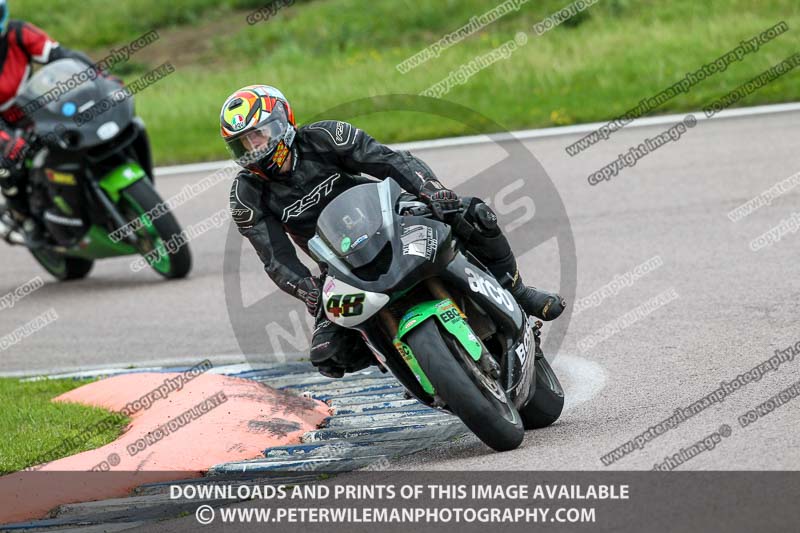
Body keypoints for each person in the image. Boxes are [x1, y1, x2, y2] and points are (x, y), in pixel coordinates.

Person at [223, 84, 566, 378]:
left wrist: (431, 190)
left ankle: (515, 290)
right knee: (327, 354)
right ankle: (407, 362)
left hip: (394, 217)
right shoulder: (246, 194)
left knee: (471, 212)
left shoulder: (325, 137)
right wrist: (307, 290)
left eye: (258, 135)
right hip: (339, 263)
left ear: (283, 122)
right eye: (243, 144)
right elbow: (274, 256)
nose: (254, 149)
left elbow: (388, 160)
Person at [0, 0, 94, 245]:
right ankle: (24, 217)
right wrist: (7, 140)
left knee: (83, 123)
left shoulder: (19, 33)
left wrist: (97, 76)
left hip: (34, 108)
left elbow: (61, 56)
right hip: (2, 124)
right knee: (9, 162)